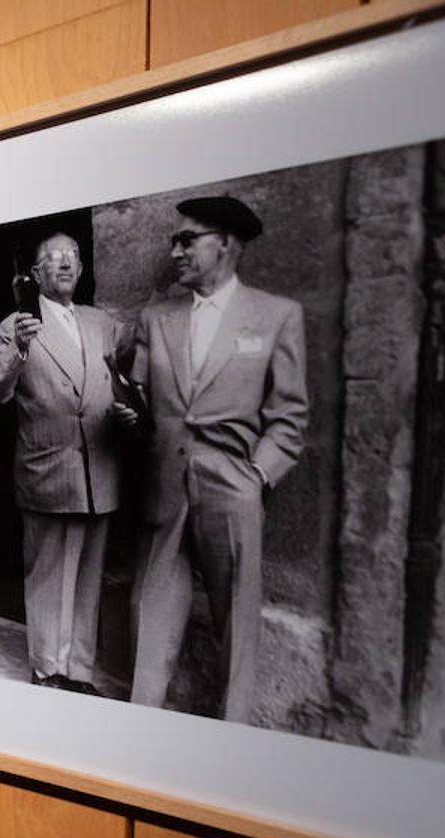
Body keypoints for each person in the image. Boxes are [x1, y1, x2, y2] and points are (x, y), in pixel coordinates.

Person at [121, 196, 309, 723]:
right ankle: (141, 728)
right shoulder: (157, 318)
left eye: (187, 240)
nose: (175, 251)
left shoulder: (276, 316)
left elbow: (290, 416)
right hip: (165, 484)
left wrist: (256, 476)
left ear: (225, 243)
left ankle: (232, 733)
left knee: (237, 620)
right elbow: (136, 389)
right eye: (172, 241)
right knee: (152, 609)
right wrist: (130, 414)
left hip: (233, 487)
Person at [0, 231, 127, 694]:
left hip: (99, 469)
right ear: (36, 274)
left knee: (88, 576)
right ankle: (47, 668)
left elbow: (121, 377)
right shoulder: (19, 323)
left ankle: (79, 671)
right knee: (48, 577)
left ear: (82, 270)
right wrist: (19, 351)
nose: (64, 264)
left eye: (72, 257)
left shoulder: (101, 321)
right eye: (53, 259)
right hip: (49, 468)